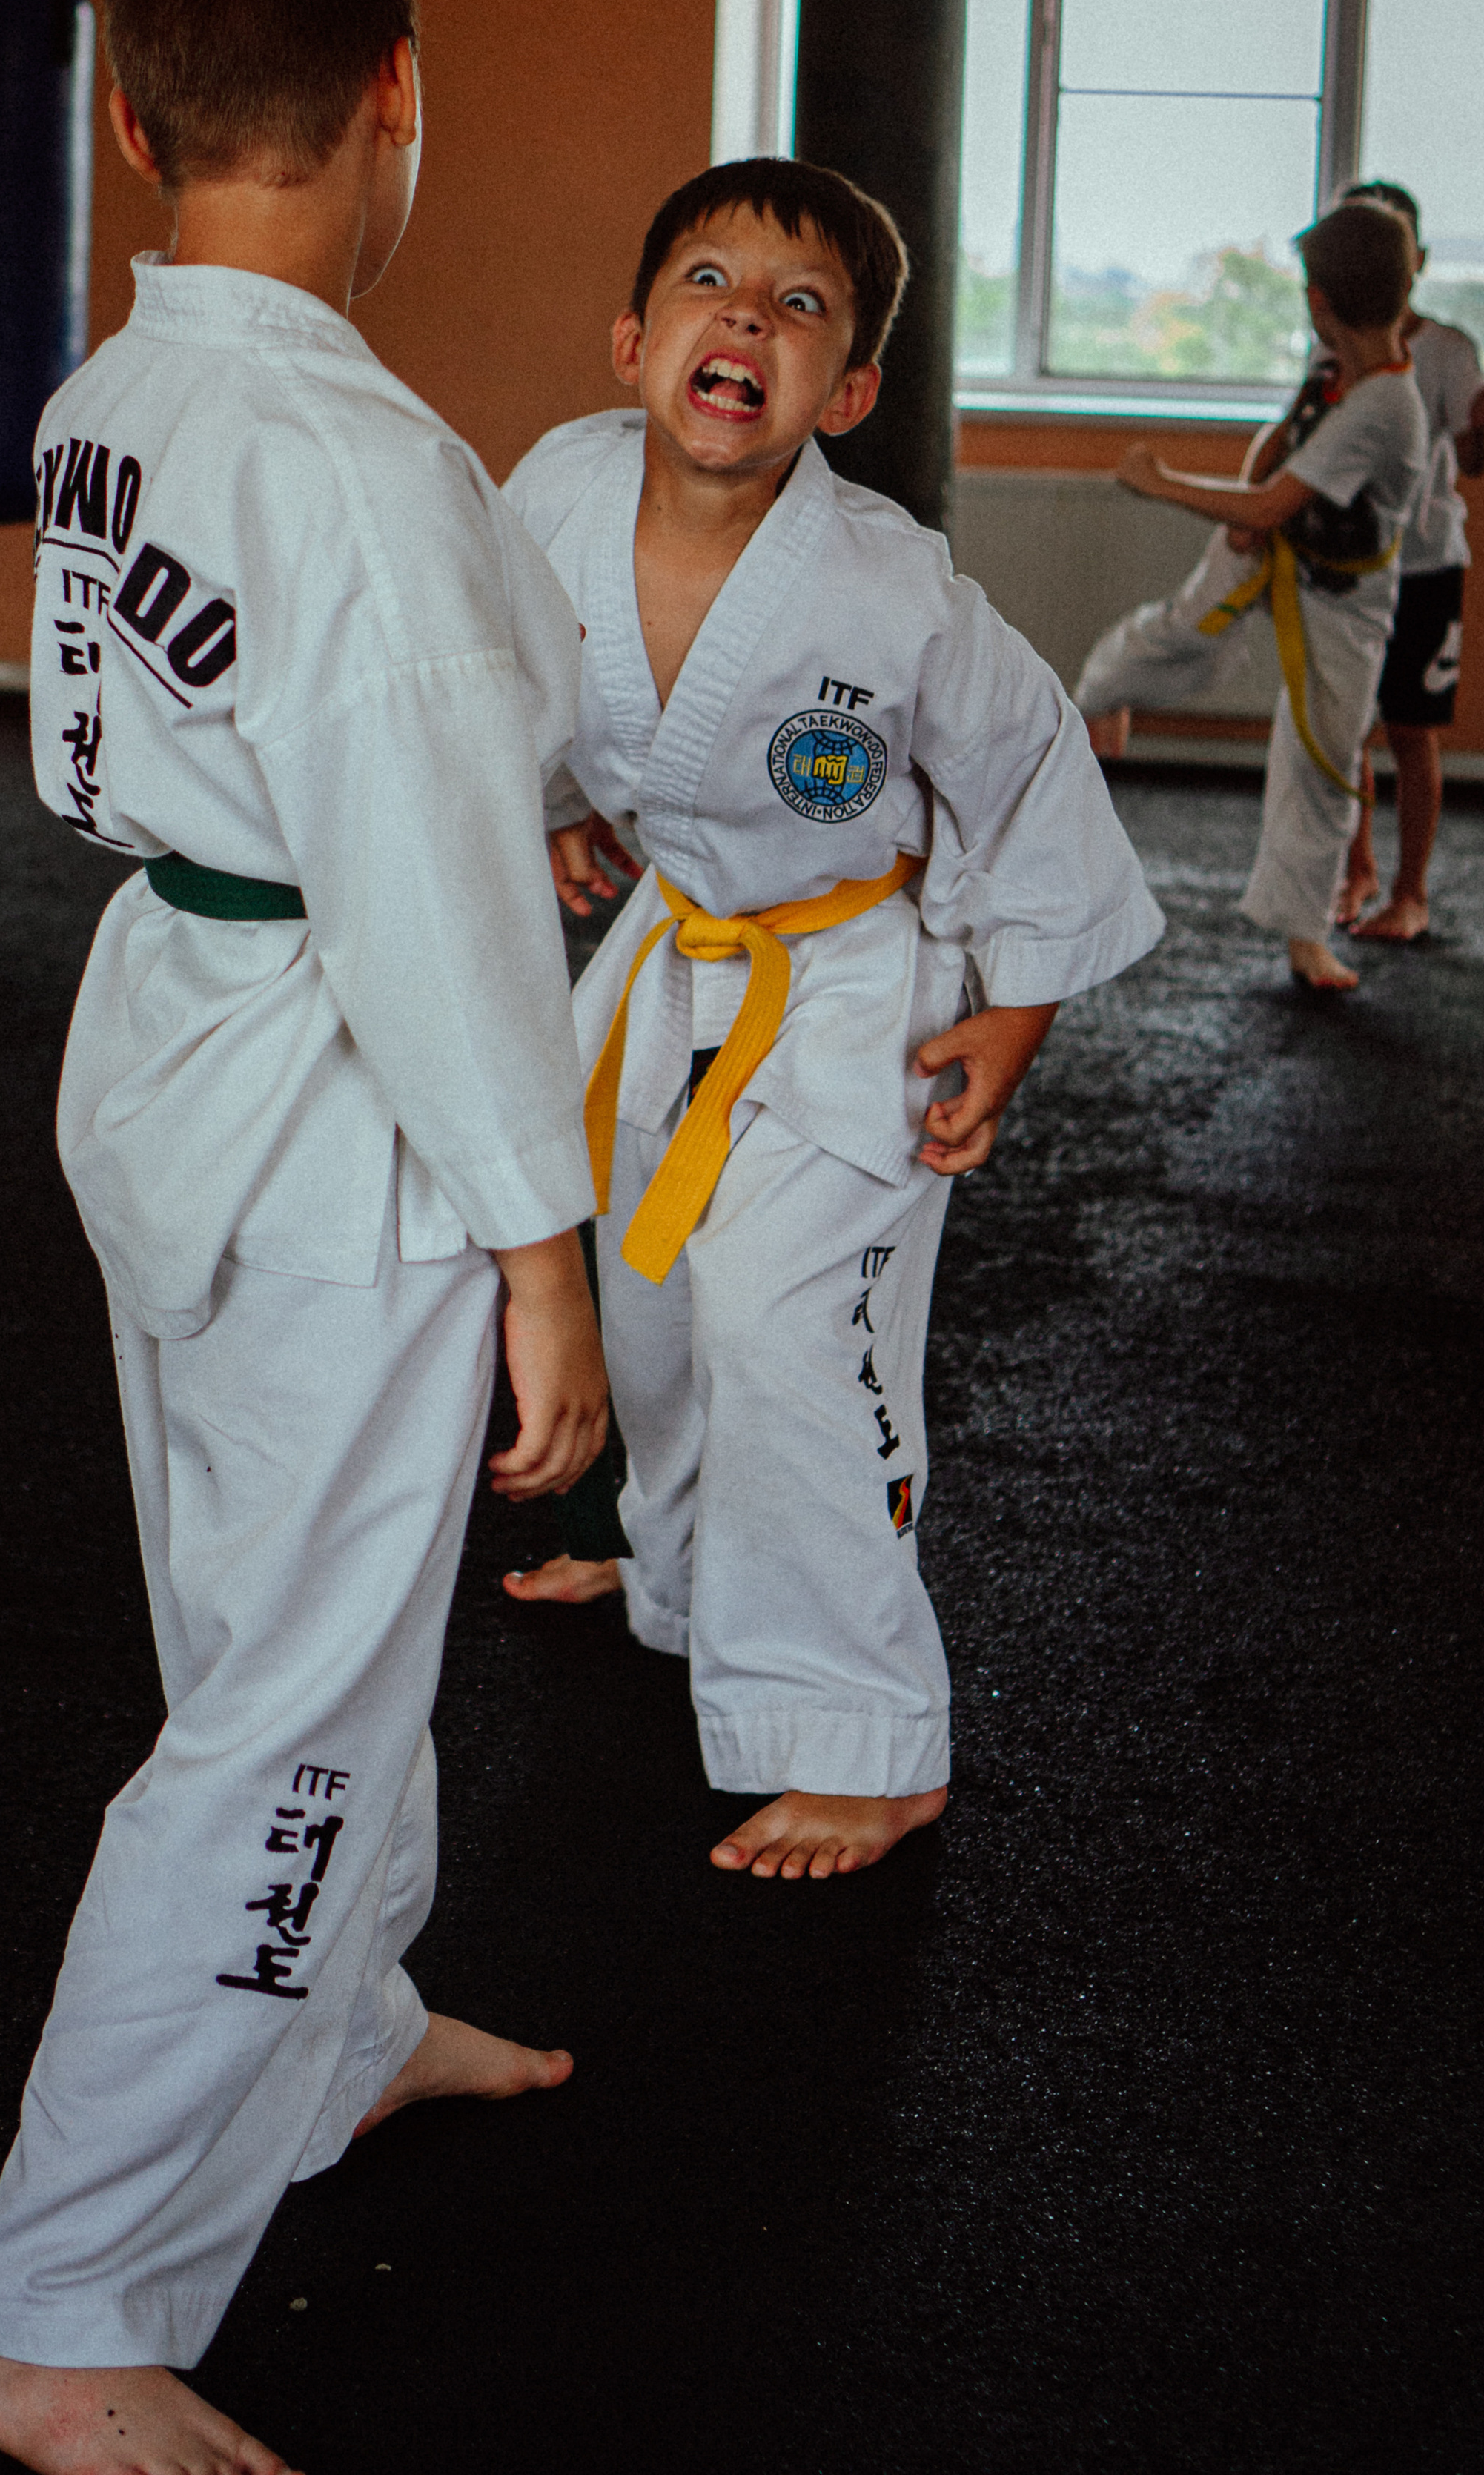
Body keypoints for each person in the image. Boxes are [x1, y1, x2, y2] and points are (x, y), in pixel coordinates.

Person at [0, 0, 609, 2475]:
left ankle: (324, 2027)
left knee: (274, 1611)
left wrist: (450, 792)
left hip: (174, 1023)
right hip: (343, 1098)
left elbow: (281, 751)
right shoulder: (368, 467)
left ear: (122, 126)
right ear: (396, 101)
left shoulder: (109, 392)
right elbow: (435, 911)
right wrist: (544, 1261)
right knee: (285, 1709)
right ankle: (53, 2303)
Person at [500, 158, 1162, 1884]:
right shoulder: (554, 493)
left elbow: (1021, 766)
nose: (746, 321)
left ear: (845, 392)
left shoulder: (886, 584)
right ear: (632, 335)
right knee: (641, 1305)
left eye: (798, 308)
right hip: (671, 943)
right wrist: (567, 795)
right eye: (710, 283)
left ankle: (866, 1735)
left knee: (795, 1328)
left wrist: (1011, 1017)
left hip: (851, 978)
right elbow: (518, 677)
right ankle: (665, 1568)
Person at [1075, 199, 1426, 993]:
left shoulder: (1385, 404)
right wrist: (1250, 488)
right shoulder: (1341, 365)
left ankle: (1304, 937)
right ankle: (1097, 696)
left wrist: (1159, 482)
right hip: (1271, 545)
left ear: (1319, 301)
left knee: (1322, 756)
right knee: (1183, 634)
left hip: (1344, 594)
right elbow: (1280, 445)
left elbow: (1271, 507)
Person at [1330, 180, 1484, 940]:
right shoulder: (1329, 343)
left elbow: (1470, 460)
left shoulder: (1446, 348)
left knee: (1410, 731)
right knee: (1343, 731)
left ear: (1418, 261)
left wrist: (1479, 427)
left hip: (1426, 566)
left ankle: (1409, 893)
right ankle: (1354, 874)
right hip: (1348, 566)